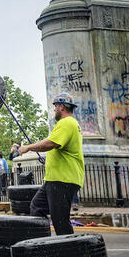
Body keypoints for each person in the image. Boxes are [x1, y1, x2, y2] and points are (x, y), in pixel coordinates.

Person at [15, 92, 84, 235]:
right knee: (37, 207)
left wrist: (28, 147)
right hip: (54, 179)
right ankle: (43, 241)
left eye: (55, 106)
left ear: (62, 107)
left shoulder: (67, 123)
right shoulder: (69, 124)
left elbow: (51, 143)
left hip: (62, 179)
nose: (54, 109)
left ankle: (69, 251)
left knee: (60, 219)